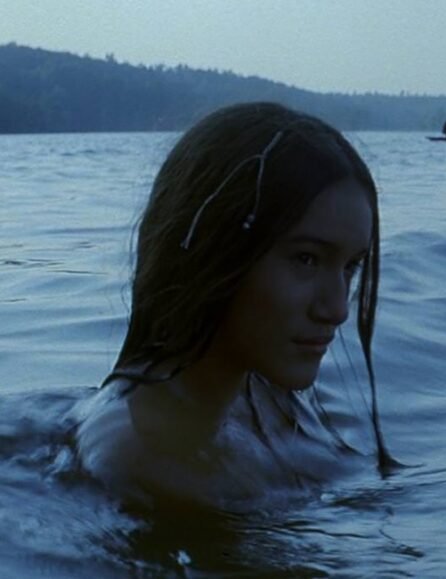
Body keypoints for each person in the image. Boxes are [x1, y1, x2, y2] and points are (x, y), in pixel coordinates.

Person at [73, 102, 396, 506]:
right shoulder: (151, 463)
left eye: (351, 266)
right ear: (213, 249)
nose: (337, 309)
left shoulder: (264, 398)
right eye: (306, 259)